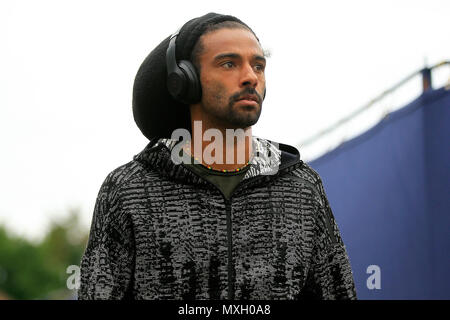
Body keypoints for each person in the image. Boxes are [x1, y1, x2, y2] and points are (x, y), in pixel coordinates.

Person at [78, 12, 357, 300]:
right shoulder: (129, 189)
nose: (250, 77)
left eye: (258, 66)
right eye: (229, 64)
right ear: (184, 80)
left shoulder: (302, 187)